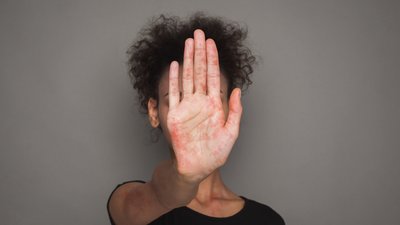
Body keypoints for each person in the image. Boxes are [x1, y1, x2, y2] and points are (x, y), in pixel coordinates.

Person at [107, 11, 285, 225]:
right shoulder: (128, 201)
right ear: (154, 113)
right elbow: (154, 198)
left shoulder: (267, 220)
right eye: (177, 99)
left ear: (232, 107)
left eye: (213, 98)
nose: (196, 113)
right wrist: (185, 178)